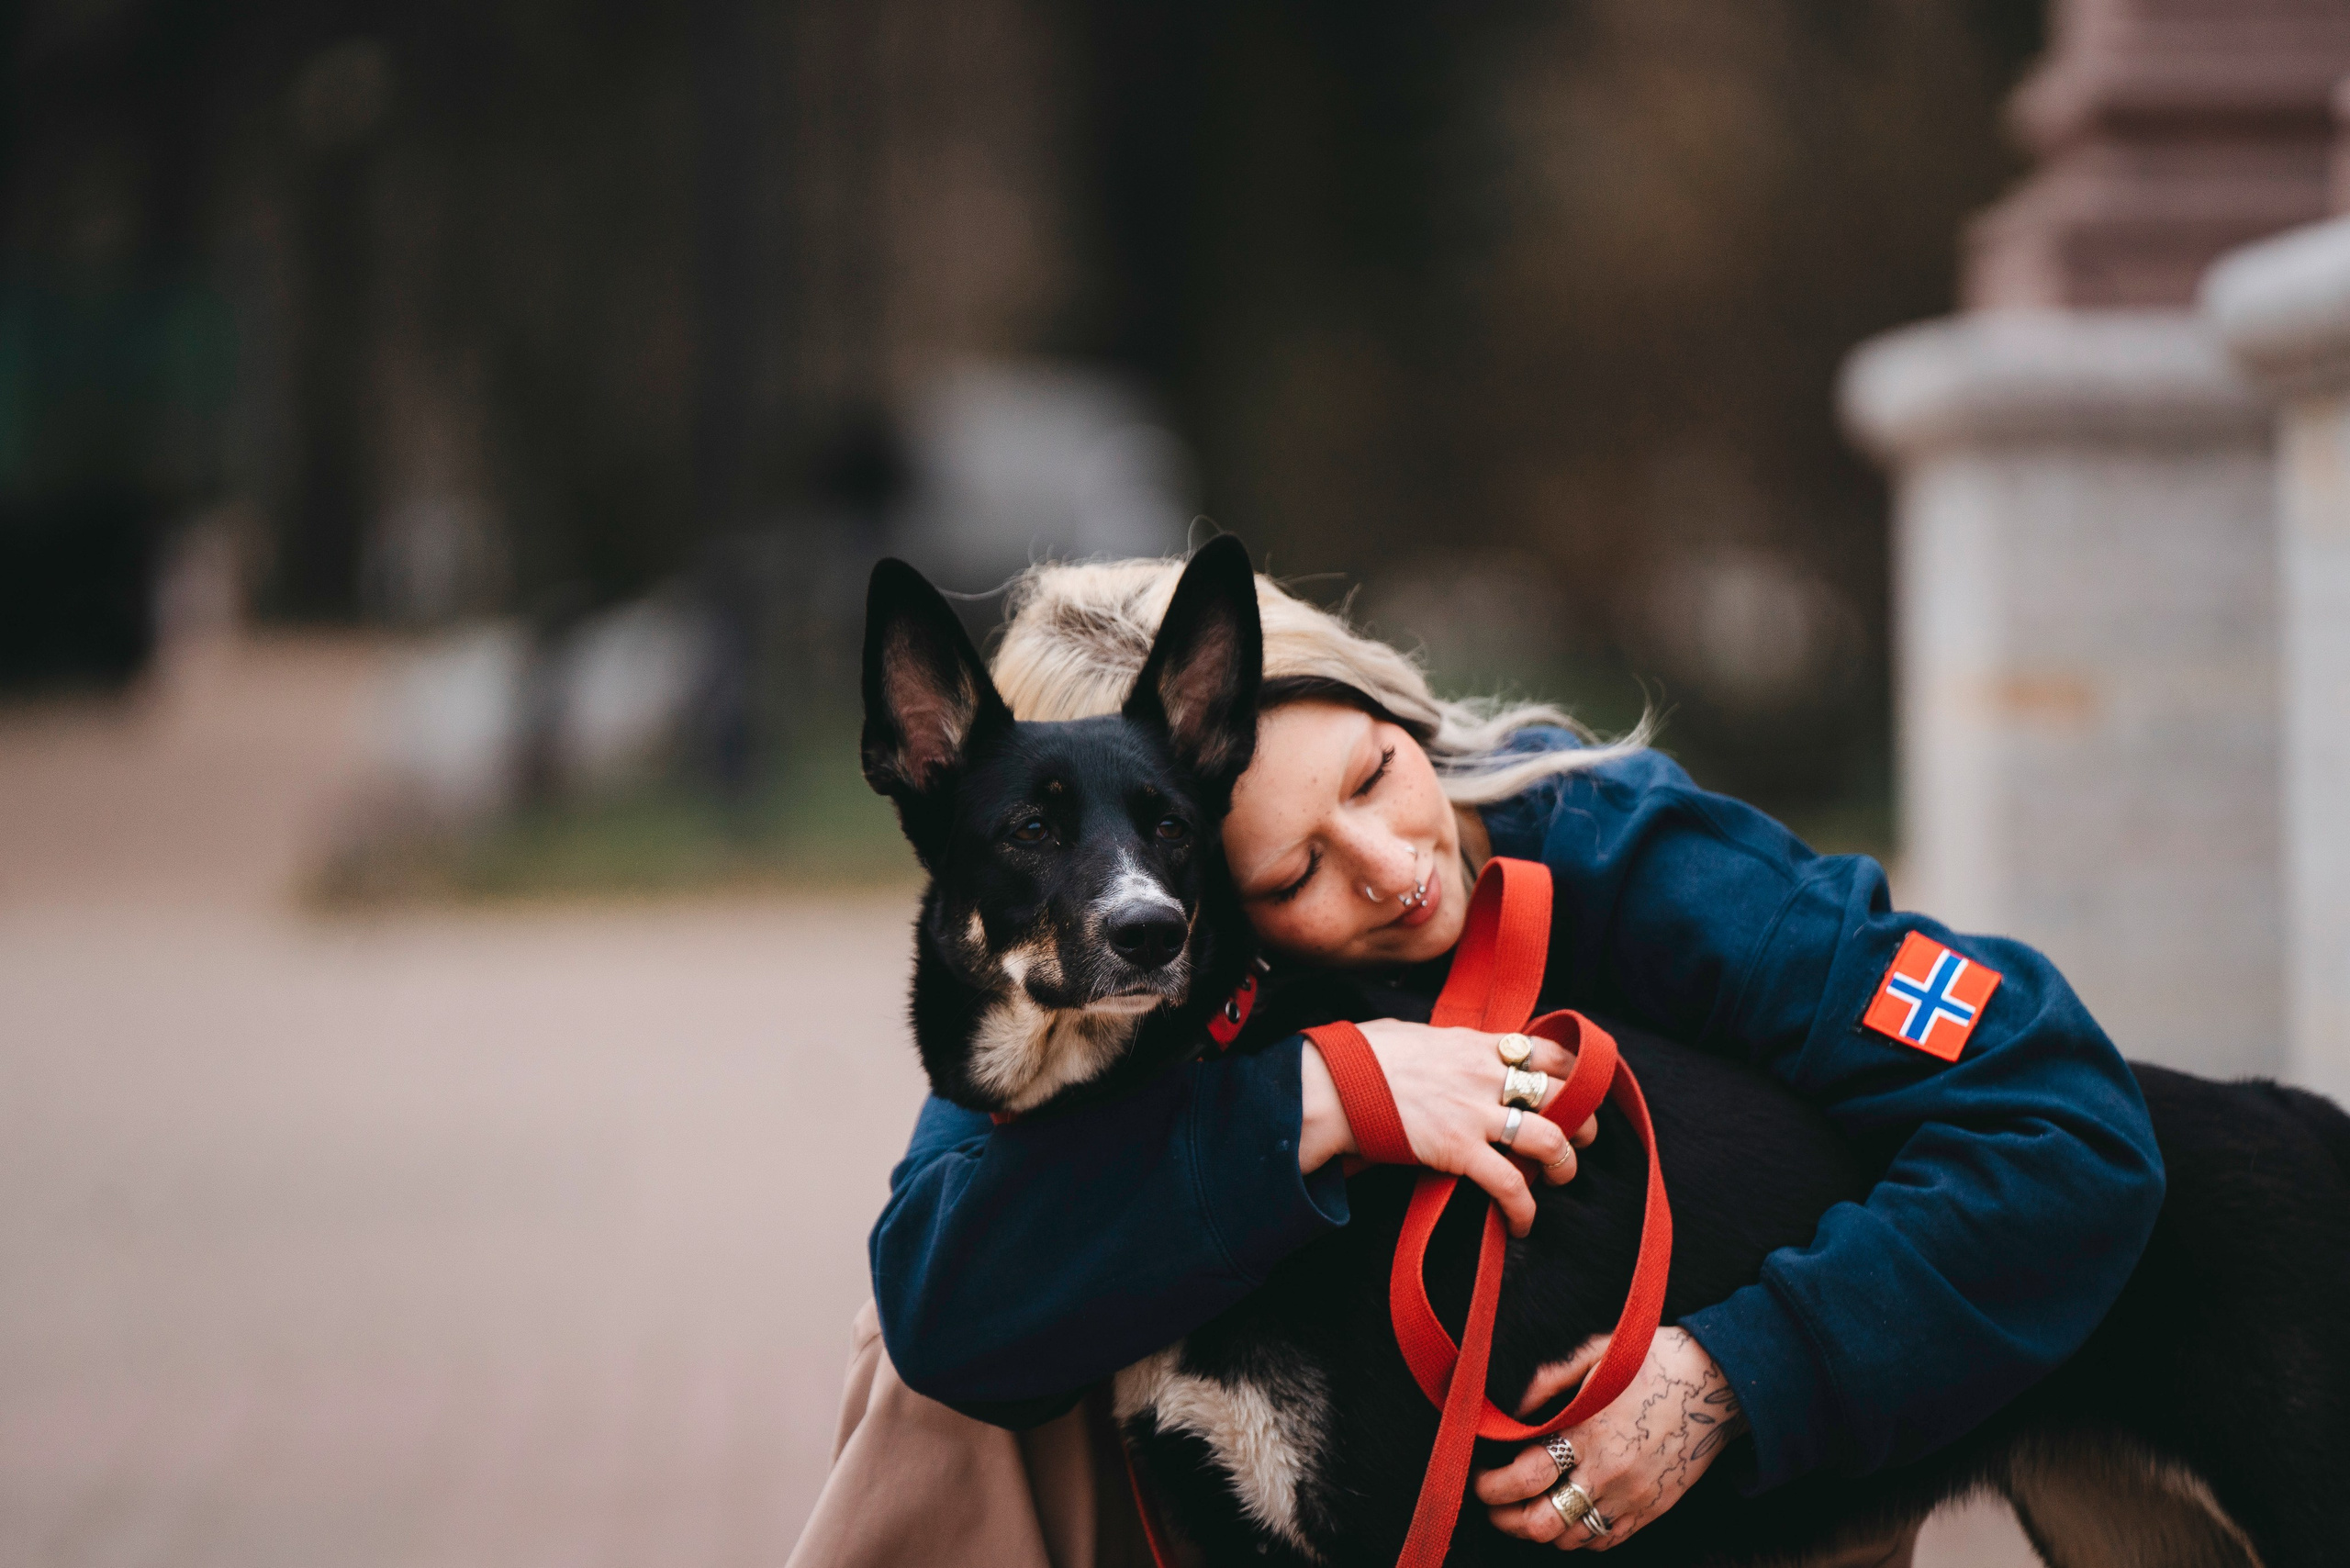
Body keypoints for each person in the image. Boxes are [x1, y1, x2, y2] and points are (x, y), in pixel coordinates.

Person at [800, 554, 2164, 1562]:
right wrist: (1323, 1094)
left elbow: (2065, 1121)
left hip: (1799, 1408)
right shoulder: (1130, 945)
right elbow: (948, 1293)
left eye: (1378, 775)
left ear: (1399, 712)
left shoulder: (1623, 848)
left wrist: (1734, 1376)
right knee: (923, 1358)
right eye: (1295, 871)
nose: (1395, 871)